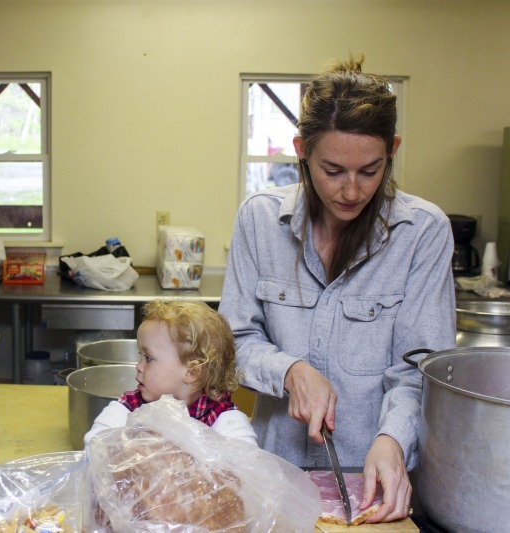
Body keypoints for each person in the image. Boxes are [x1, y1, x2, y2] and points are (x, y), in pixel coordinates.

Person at [219, 55, 456, 524]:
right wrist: (288, 370)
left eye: (370, 171)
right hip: (275, 472)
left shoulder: (422, 232)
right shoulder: (259, 220)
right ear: (301, 151)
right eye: (332, 170)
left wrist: (391, 440)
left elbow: (420, 370)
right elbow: (234, 342)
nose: (351, 190)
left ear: (393, 149)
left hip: (375, 478)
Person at [83, 300, 257, 450]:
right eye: (140, 356)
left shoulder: (224, 420)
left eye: (149, 358)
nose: (138, 366)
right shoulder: (129, 407)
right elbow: (95, 445)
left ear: (192, 372)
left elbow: (248, 466)